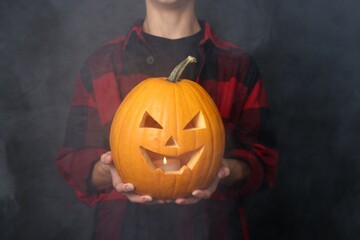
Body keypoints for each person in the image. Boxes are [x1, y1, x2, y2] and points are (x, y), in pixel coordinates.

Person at [55, 0, 279, 239]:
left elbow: (265, 164)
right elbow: (74, 164)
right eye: (152, 124)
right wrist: (108, 169)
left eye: (190, 126)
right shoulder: (101, 64)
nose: (171, 142)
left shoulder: (238, 65)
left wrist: (222, 169)